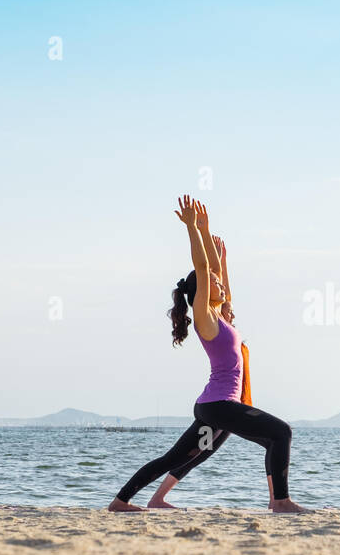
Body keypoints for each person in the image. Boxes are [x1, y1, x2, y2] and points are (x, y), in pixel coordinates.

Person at [108, 196, 303, 513]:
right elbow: (202, 268)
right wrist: (191, 229)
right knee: (281, 433)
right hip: (218, 405)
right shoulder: (205, 317)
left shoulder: (220, 315)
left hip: (215, 407)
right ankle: (279, 502)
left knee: (182, 455)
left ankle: (124, 502)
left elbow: (212, 272)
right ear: (200, 292)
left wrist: (208, 232)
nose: (220, 285)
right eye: (214, 283)